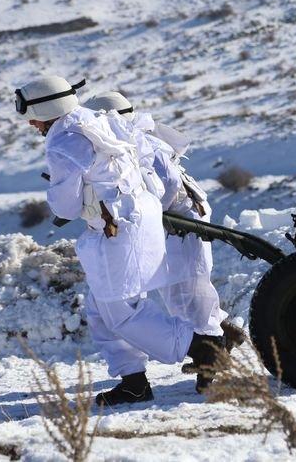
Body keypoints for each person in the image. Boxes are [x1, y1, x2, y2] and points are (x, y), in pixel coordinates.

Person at [14, 75, 226, 406]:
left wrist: (69, 194)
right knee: (100, 306)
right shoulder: (92, 122)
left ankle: (204, 348)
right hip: (128, 223)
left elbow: (65, 207)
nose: (31, 124)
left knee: (123, 310)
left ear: (46, 107)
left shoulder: (64, 142)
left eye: (32, 115)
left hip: (121, 229)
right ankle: (134, 382)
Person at [84, 92, 246, 387]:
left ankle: (212, 359)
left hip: (181, 224)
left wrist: (150, 209)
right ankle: (220, 337)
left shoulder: (141, 143)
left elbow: (167, 184)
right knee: (186, 294)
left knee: (187, 296)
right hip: (175, 223)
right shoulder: (136, 140)